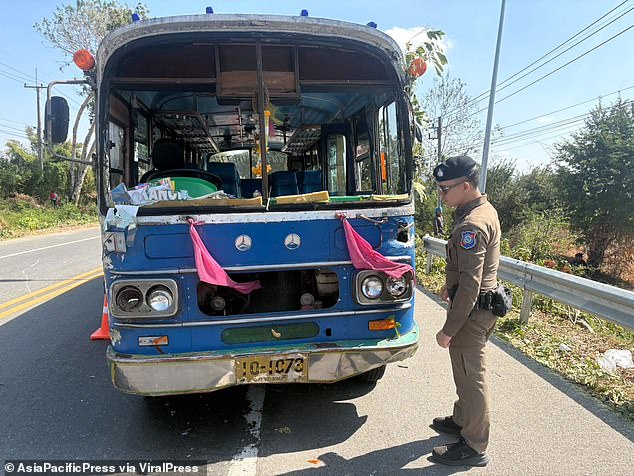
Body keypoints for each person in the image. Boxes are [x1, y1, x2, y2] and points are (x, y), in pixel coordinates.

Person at [429, 155, 501, 468]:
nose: (441, 195)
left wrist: (449, 329)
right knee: (464, 371)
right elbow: (471, 270)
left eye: (445, 189)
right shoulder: (480, 210)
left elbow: (471, 286)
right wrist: (451, 285)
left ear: (466, 186)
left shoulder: (472, 224)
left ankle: (474, 445)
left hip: (471, 313)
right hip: (480, 304)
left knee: (472, 378)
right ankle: (462, 419)